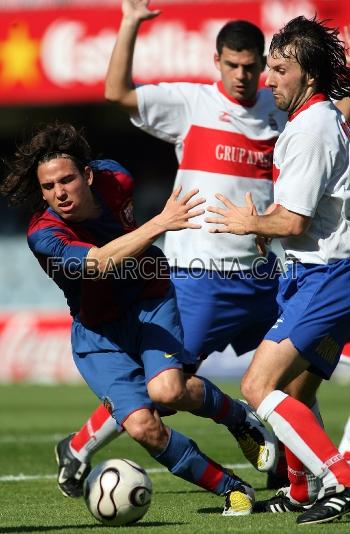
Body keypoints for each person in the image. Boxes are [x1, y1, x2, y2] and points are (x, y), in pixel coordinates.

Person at [54, 0, 289, 498]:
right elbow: (117, 92)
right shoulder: (191, 103)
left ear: (263, 65)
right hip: (200, 275)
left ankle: (291, 468)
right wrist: (129, 23)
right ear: (217, 62)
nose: (243, 75)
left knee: (296, 367)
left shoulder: (279, 110)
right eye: (233, 65)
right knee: (165, 389)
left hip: (265, 275)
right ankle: (77, 447)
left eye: (252, 66)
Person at [0, 120, 271, 517]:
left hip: (150, 300)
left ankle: (240, 419)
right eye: (48, 186)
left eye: (67, 179)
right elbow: (99, 263)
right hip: (98, 333)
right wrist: (160, 223)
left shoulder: (117, 178)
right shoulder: (44, 235)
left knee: (167, 391)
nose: (59, 192)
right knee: (144, 427)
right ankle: (233, 489)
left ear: (88, 175)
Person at [205, 15, 350, 525]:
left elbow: (295, 220)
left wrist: (252, 221)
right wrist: (266, 224)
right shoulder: (314, 118)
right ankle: (302, 489)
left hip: (327, 276)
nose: (268, 79)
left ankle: (342, 480)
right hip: (320, 273)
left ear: (308, 74)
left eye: (279, 69)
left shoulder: (311, 128)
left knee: (255, 385)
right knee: (296, 389)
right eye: (269, 67)